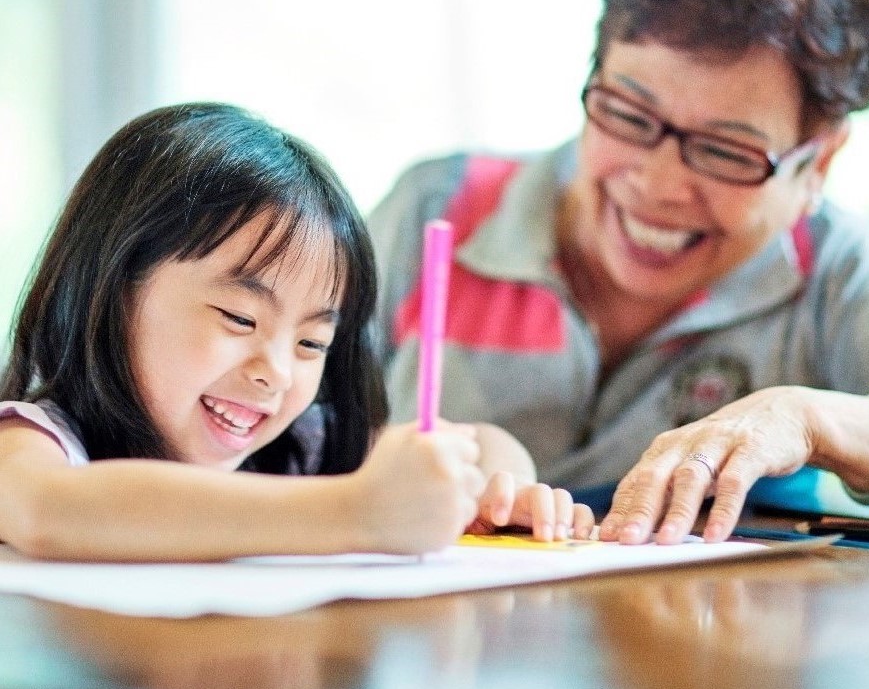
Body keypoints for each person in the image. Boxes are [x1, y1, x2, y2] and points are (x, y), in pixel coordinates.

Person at [368, 0, 869, 545]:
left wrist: (807, 420)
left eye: (725, 151)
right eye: (629, 114)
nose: (658, 184)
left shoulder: (836, 272)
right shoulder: (436, 211)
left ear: (818, 164)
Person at [0, 103, 593, 562]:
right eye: (239, 318)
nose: (277, 372)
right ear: (112, 287)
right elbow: (44, 510)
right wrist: (358, 512)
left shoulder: (295, 449)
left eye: (311, 343)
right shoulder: (38, 438)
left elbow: (484, 443)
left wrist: (492, 488)